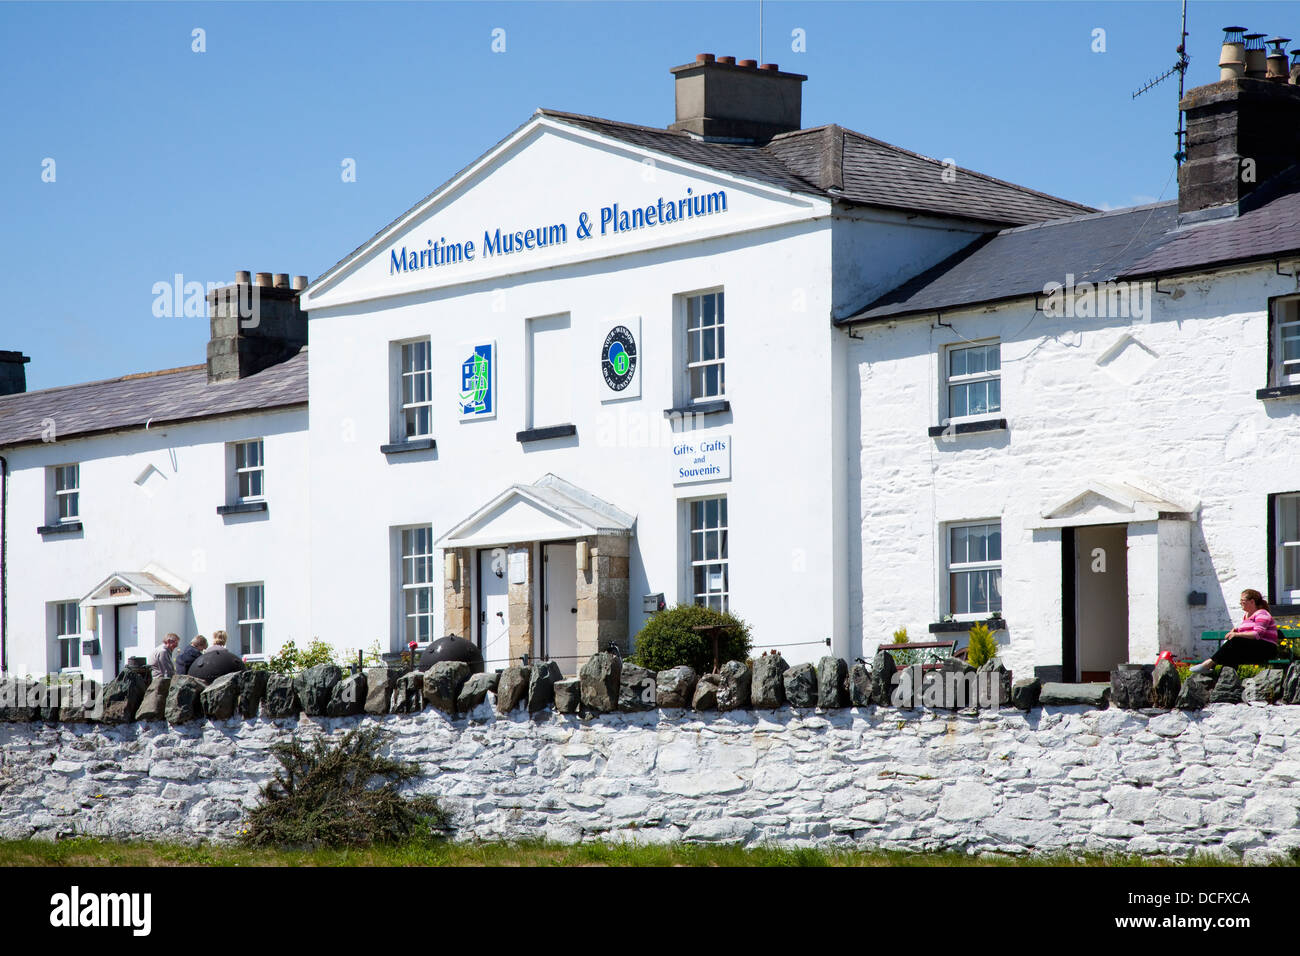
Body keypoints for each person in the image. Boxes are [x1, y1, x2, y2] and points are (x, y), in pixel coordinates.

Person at [1189, 589, 1280, 674]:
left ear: (1252, 601)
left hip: (1266, 649)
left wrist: (1237, 634)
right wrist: (1237, 630)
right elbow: (1247, 630)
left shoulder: (1262, 613)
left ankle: (1209, 664)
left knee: (1236, 641)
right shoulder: (1246, 616)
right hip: (1253, 648)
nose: (1240, 603)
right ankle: (1225, 681)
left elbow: (1257, 634)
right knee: (1231, 654)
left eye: (1242, 600)